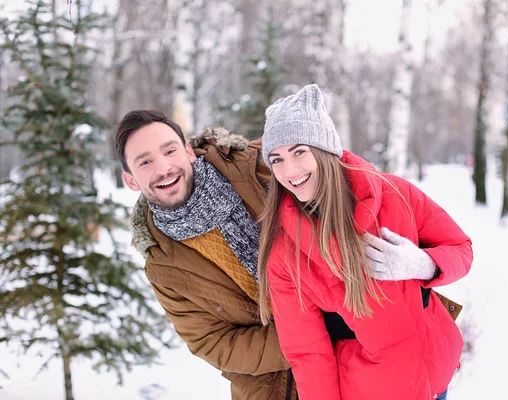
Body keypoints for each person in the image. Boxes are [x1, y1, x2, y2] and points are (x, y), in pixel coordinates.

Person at [115, 109, 383, 399]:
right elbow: (215, 344)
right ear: (130, 180)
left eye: (170, 151)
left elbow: (361, 192)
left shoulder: (261, 164)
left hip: (376, 333)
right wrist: (315, 331)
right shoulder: (162, 264)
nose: (164, 167)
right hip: (277, 385)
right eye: (145, 162)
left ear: (188, 152)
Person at [257, 84, 473, 400]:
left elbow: (461, 249)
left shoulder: (395, 194)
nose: (289, 171)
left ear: (324, 149)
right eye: (276, 160)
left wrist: (422, 264)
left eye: (299, 152)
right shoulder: (284, 251)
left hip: (435, 382)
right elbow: (308, 352)